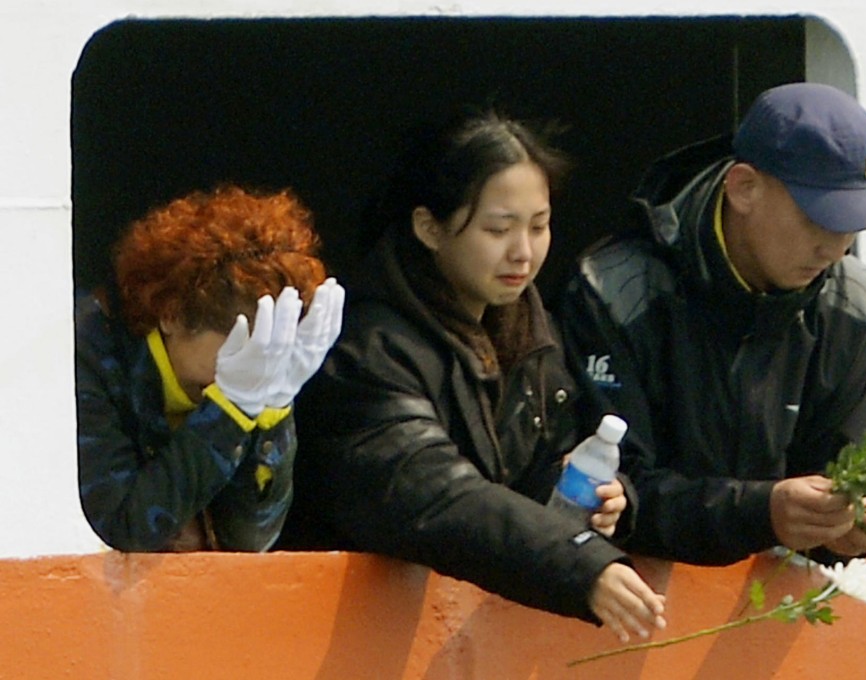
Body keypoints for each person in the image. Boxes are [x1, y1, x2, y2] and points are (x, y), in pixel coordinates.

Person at [278, 111, 667, 642]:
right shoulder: (367, 352)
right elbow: (436, 494)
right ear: (429, 227)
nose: (523, 252)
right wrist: (579, 563)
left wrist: (599, 492)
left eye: (539, 225)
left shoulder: (533, 333)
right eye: (498, 229)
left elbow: (539, 470)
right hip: (335, 636)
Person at [558, 82, 866, 567]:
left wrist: (847, 532)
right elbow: (611, 492)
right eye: (817, 219)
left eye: (852, 223)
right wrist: (764, 514)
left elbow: (847, 476)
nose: (836, 248)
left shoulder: (852, 299)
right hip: (619, 609)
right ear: (744, 188)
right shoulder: (612, 290)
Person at [75, 185, 345, 552]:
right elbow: (127, 526)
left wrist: (273, 405)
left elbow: (250, 540)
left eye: (270, 348)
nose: (257, 362)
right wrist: (228, 411)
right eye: (241, 343)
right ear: (172, 315)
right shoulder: (85, 353)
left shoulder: (253, 381)